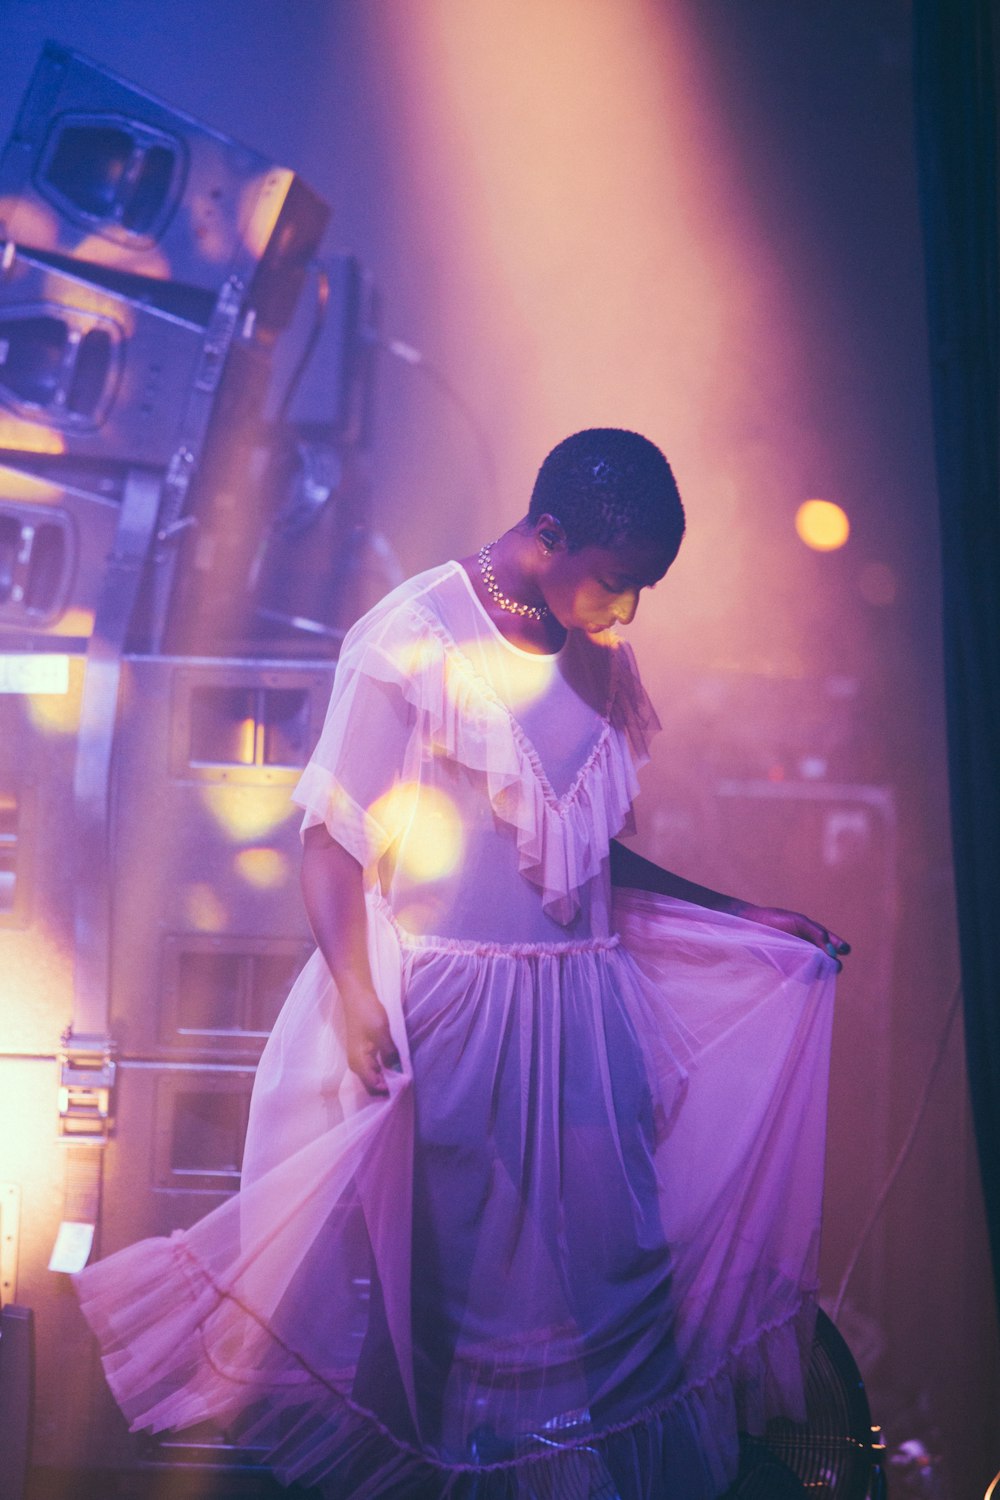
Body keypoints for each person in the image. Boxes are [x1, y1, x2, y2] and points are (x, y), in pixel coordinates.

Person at [75, 428, 847, 1499]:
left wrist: (745, 914)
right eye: (617, 583)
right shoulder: (409, 637)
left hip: (584, 1001)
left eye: (642, 592)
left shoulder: (599, 653)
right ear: (548, 537)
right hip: (456, 1013)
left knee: (626, 1276)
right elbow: (330, 840)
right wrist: (352, 990)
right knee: (428, 1304)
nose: (626, 614)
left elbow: (577, 856)